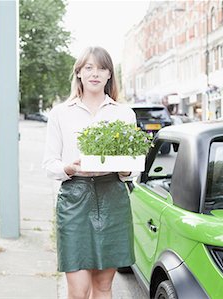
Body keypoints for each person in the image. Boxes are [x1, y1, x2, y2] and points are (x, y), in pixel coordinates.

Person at [42, 46, 137, 299]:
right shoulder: (61, 113)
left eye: (102, 68)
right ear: (79, 73)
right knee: (78, 290)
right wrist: (68, 168)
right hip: (75, 198)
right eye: (89, 67)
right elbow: (49, 164)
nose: (95, 73)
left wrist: (126, 169)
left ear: (109, 75)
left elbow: (131, 170)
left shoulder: (124, 113)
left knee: (103, 287)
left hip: (113, 197)